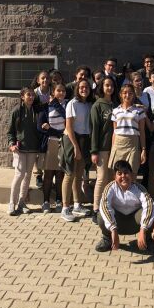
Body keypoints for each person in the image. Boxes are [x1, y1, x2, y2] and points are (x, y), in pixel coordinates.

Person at [96, 160, 154, 252]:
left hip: (134, 224)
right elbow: (104, 205)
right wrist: (113, 229)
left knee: (153, 208)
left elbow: (149, 206)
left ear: (132, 175)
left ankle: (147, 239)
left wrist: (143, 228)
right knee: (101, 215)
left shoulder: (139, 188)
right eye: (119, 173)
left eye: (126, 173)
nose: (123, 176)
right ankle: (107, 239)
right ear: (114, 177)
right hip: (117, 223)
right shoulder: (110, 187)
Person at [60, 78, 94, 222]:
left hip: (84, 139)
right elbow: (69, 127)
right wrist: (75, 147)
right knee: (70, 174)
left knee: (79, 174)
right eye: (81, 87)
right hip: (72, 140)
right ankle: (65, 208)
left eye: (86, 87)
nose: (84, 89)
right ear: (77, 89)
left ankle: (76, 204)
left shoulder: (88, 104)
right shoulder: (72, 104)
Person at [7, 86, 42, 216]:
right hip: (20, 148)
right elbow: (10, 131)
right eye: (28, 95)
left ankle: (22, 203)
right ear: (22, 96)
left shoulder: (36, 110)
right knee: (19, 174)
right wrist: (11, 144)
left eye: (33, 95)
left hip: (33, 148)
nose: (31, 97)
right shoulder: (17, 111)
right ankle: (12, 203)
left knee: (27, 176)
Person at [37, 82, 67, 213]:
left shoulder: (67, 105)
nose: (61, 93)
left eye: (63, 91)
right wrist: (56, 132)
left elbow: (68, 123)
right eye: (58, 91)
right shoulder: (45, 108)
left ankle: (59, 200)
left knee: (60, 175)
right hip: (50, 144)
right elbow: (41, 128)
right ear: (53, 92)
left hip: (64, 144)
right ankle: (46, 201)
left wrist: (52, 129)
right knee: (48, 174)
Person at [90, 76, 116, 223]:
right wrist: (94, 151)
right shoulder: (97, 106)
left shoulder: (116, 105)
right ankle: (95, 209)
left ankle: (107, 206)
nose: (109, 88)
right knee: (101, 178)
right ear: (102, 87)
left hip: (115, 148)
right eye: (106, 85)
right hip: (102, 148)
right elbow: (94, 129)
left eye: (111, 85)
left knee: (112, 179)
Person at [109, 84, 147, 176]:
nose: (127, 95)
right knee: (117, 174)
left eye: (130, 93)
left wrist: (143, 149)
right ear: (121, 94)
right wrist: (112, 148)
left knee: (131, 173)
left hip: (133, 144)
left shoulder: (139, 111)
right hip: (118, 144)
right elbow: (114, 132)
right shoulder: (115, 111)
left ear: (133, 95)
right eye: (125, 93)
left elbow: (142, 131)